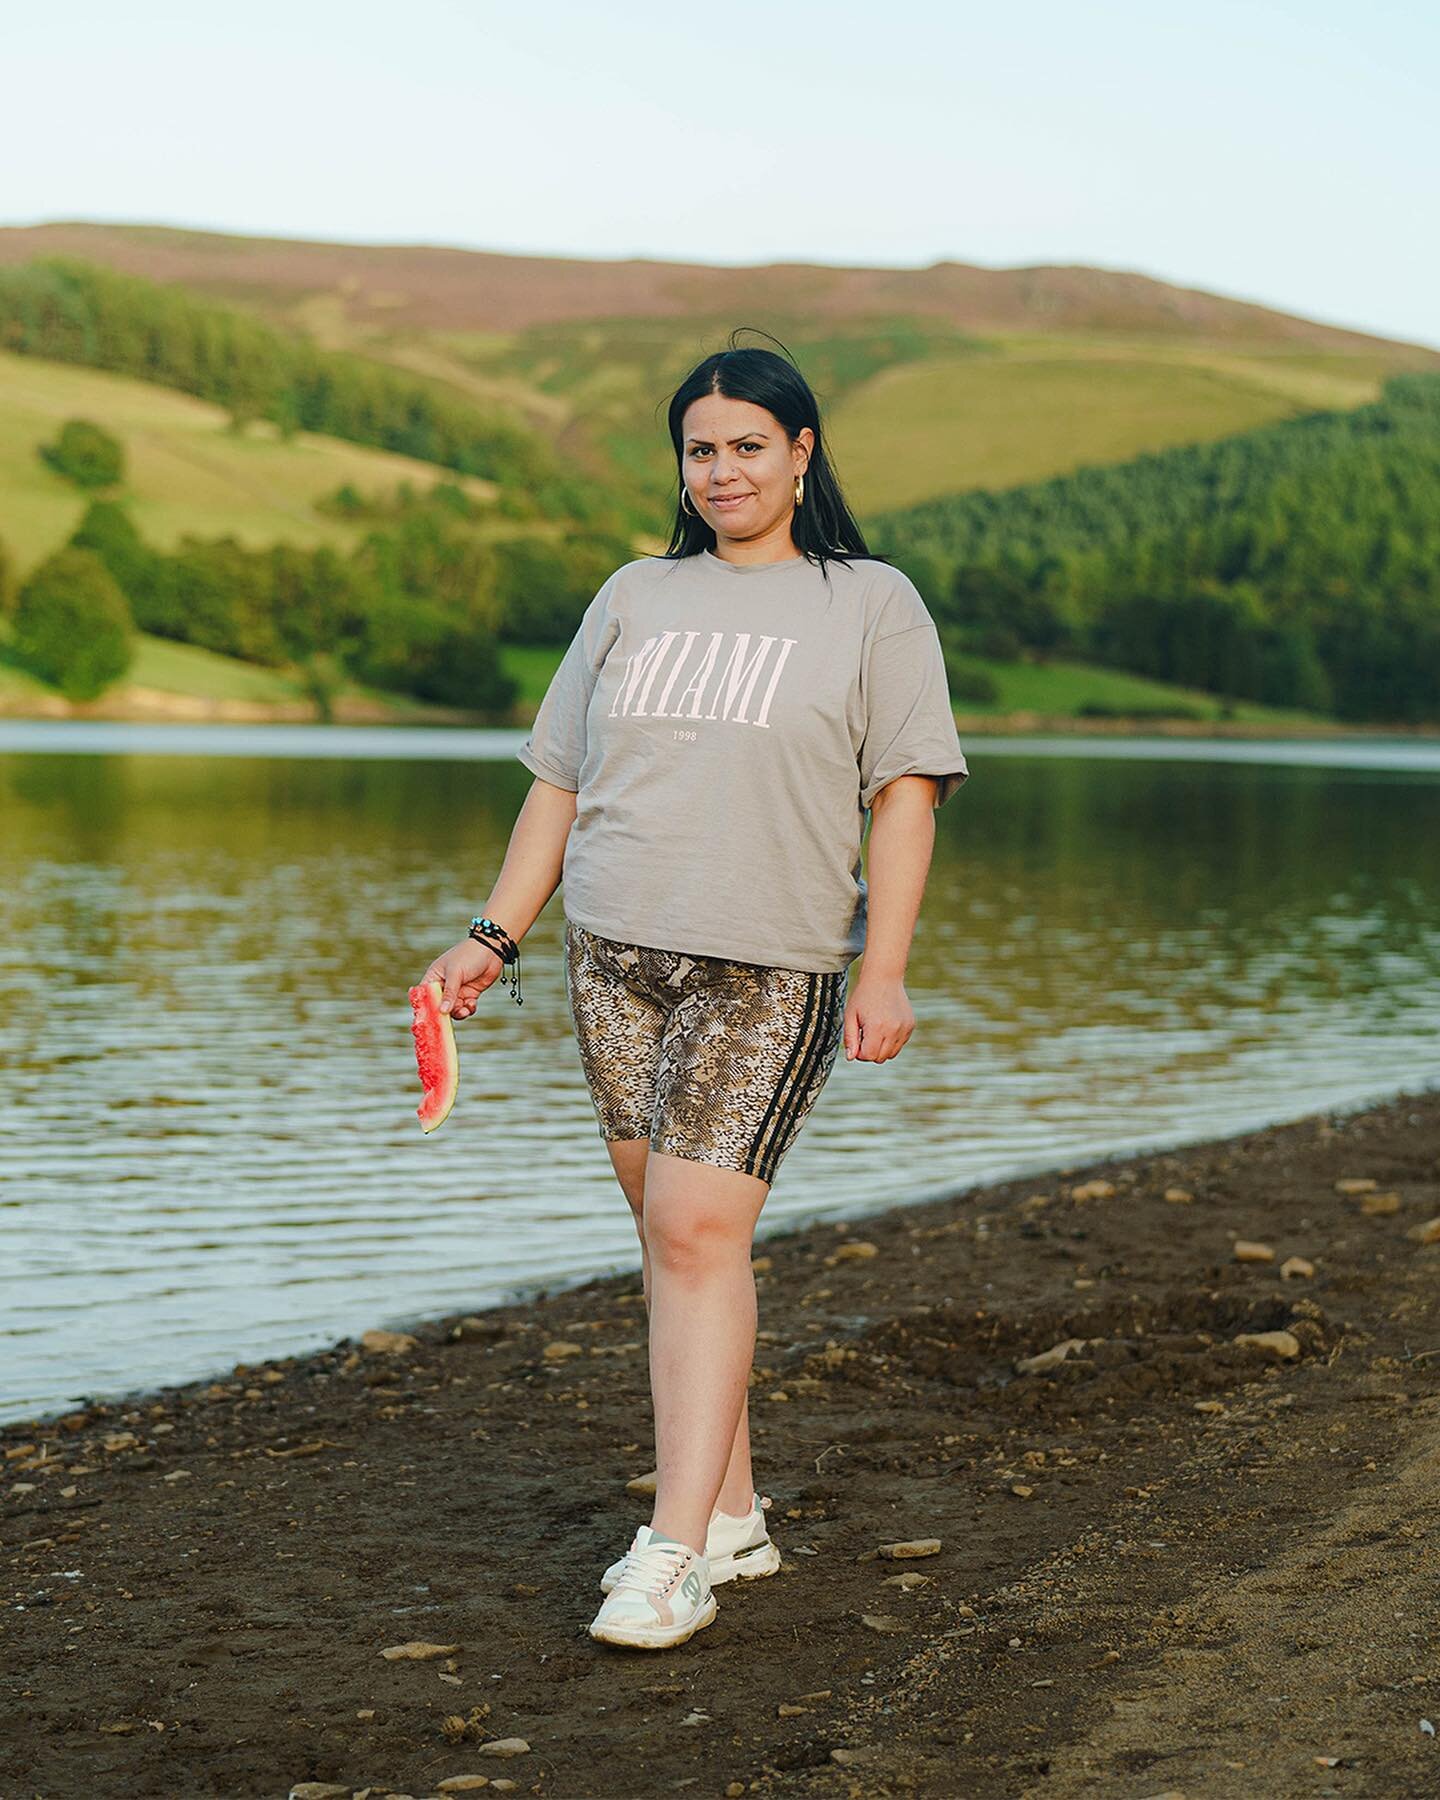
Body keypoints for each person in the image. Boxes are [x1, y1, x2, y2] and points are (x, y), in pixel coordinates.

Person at [419, 335, 968, 1651]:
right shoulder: (631, 595)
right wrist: (493, 934)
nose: (721, 470)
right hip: (611, 954)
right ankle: (729, 1513)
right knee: (669, 1235)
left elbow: (904, 794)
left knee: (697, 1236)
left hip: (768, 963)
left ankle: (671, 1557)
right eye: (700, 449)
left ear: (801, 453)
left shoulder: (869, 601)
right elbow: (559, 779)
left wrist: (880, 967)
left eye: (747, 446)